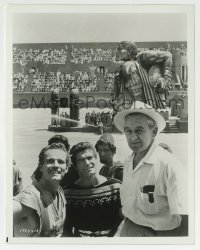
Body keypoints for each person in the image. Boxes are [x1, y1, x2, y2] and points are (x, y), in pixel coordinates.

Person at [113, 101, 188, 237]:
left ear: (153, 132)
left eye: (139, 130)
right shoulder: (128, 161)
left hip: (158, 235)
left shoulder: (168, 164)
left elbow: (186, 218)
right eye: (128, 131)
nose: (133, 137)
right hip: (129, 228)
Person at [63, 142, 123, 237]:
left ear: (96, 159)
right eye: (81, 160)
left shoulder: (115, 187)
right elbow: (66, 228)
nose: (87, 163)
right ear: (75, 166)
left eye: (89, 158)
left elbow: (125, 218)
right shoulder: (68, 193)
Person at [13, 143, 70, 237]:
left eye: (60, 162)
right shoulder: (30, 197)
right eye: (50, 161)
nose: (56, 165)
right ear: (40, 167)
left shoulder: (60, 193)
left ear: (67, 168)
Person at [112, 41, 173, 111]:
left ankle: (142, 105)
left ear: (129, 50)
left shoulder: (143, 56)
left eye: (120, 49)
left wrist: (166, 79)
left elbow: (168, 56)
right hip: (134, 99)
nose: (117, 52)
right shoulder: (120, 74)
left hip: (150, 92)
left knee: (129, 65)